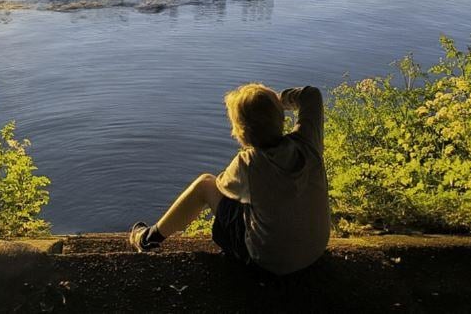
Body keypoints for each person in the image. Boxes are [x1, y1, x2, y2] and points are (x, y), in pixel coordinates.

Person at [128, 84, 329, 276]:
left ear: (238, 132)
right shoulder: (308, 141)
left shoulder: (248, 163)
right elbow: (311, 94)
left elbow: (223, 187)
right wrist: (273, 102)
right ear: (280, 116)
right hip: (315, 250)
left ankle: (148, 239)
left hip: (268, 262)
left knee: (205, 184)